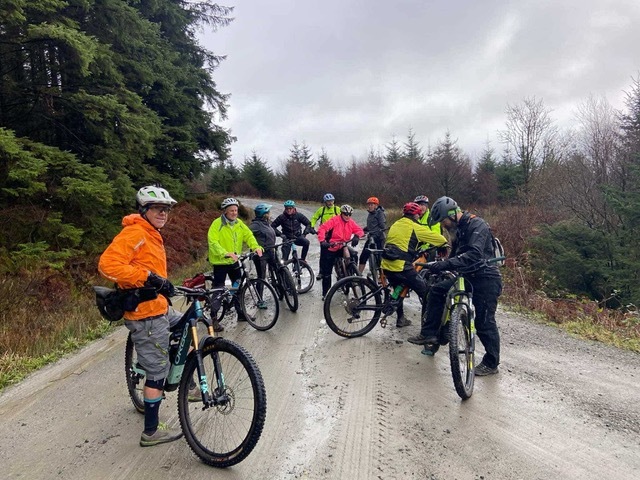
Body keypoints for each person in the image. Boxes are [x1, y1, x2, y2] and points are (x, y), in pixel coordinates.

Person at [98, 185, 183, 447]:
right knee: (156, 372)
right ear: (144, 210)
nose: (163, 214)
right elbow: (108, 264)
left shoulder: (151, 233)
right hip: (145, 315)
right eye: (158, 209)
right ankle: (151, 432)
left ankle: (180, 376)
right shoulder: (136, 232)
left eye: (166, 210)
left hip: (159, 307)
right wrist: (148, 277)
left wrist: (162, 283)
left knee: (187, 323)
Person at [407, 196, 503, 376]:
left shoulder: (477, 225)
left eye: (443, 221)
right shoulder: (457, 230)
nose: (443, 226)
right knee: (436, 291)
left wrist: (446, 264)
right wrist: (438, 265)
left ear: (452, 214)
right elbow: (456, 256)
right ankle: (430, 334)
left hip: (486, 277)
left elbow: (474, 254)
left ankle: (491, 363)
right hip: (467, 275)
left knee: (484, 322)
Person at [380, 202, 448, 327]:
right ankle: (430, 325)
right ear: (416, 215)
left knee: (398, 290)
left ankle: (400, 319)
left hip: (387, 265)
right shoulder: (415, 227)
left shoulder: (396, 224)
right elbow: (439, 238)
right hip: (400, 267)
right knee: (426, 292)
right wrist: (444, 245)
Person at [207, 197, 263, 321]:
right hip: (220, 262)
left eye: (236, 210)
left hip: (234, 261)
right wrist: (225, 253)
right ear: (225, 211)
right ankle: (213, 318)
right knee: (219, 289)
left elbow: (249, 236)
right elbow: (213, 242)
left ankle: (241, 314)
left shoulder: (238, 223)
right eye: (231, 210)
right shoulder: (217, 224)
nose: (234, 213)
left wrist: (256, 247)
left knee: (238, 286)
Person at [316, 204, 364, 299]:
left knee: (354, 255)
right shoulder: (335, 220)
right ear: (341, 213)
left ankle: (350, 273)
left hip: (343, 246)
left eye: (350, 214)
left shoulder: (350, 222)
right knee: (327, 272)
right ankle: (326, 294)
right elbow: (322, 228)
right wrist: (322, 241)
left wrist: (357, 236)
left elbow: (359, 230)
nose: (348, 216)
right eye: (346, 214)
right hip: (332, 247)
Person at [310, 193, 341, 280]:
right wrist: (312, 226)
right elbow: (314, 218)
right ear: (325, 202)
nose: (330, 203)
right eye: (328, 201)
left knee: (338, 254)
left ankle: (340, 272)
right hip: (325, 234)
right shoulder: (321, 210)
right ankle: (321, 272)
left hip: (336, 234)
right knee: (323, 254)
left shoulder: (337, 209)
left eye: (331, 201)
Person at [249, 203, 278, 283]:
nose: (270, 214)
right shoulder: (255, 225)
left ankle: (282, 291)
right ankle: (260, 295)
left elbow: (271, 233)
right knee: (261, 278)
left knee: (278, 271)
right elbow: (247, 234)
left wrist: (282, 235)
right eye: (269, 212)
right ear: (265, 214)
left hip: (270, 252)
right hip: (261, 255)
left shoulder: (267, 223)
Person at [358, 196, 387, 275]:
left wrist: (376, 233)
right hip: (371, 238)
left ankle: (382, 277)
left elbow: (382, 226)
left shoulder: (380, 213)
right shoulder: (370, 214)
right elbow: (372, 225)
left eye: (371, 204)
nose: (369, 206)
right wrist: (365, 229)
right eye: (369, 204)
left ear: (376, 205)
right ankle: (359, 274)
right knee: (363, 256)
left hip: (379, 238)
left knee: (380, 259)